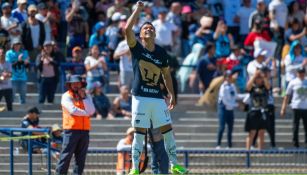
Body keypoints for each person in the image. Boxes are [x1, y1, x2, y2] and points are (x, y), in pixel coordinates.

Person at [124, 1, 188, 174]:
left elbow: (166, 75)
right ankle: (135, 168)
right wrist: (137, 10)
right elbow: (127, 30)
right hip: (140, 97)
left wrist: (172, 95)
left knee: (168, 130)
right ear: (141, 35)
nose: (149, 29)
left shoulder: (161, 52)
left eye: (151, 28)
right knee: (139, 133)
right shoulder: (136, 48)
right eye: (145, 28)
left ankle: (174, 164)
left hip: (158, 97)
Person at [56, 74, 95, 175]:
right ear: (70, 85)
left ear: (82, 84)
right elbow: (73, 110)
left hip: (85, 131)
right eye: (74, 84)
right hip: (71, 131)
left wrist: (84, 98)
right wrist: (87, 113)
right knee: (65, 157)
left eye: (78, 83)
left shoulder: (87, 96)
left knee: (80, 159)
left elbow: (92, 110)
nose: (76, 85)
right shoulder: (66, 96)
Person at [280, 67, 307, 148]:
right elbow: (287, 95)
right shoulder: (293, 82)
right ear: (297, 73)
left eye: (303, 72)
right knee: (296, 126)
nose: (301, 74)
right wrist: (283, 108)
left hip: (306, 107)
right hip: (296, 106)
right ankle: (295, 143)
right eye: (300, 72)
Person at [245, 68, 271, 150]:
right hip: (253, 112)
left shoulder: (264, 87)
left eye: (259, 78)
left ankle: (261, 151)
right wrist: (254, 76)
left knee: (262, 132)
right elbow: (247, 87)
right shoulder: (252, 87)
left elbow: (268, 86)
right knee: (252, 132)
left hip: (262, 111)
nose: (258, 79)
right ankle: (247, 152)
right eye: (257, 78)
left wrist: (263, 76)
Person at [216, 70, 237, 149]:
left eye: (230, 77)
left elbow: (235, 96)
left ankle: (229, 145)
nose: (228, 78)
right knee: (222, 127)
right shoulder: (223, 87)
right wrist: (236, 104)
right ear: (224, 78)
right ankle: (218, 144)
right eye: (227, 77)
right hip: (223, 108)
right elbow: (224, 100)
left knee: (230, 128)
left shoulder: (232, 86)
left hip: (230, 109)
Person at [5, 38, 30, 104]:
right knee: (12, 95)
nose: (17, 46)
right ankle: (11, 111)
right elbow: (9, 65)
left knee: (23, 96)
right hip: (13, 78)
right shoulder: (9, 53)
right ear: (12, 45)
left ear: (21, 45)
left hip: (23, 77)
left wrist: (26, 62)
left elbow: (27, 64)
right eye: (15, 44)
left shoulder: (25, 52)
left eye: (18, 44)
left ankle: (23, 110)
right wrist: (18, 60)